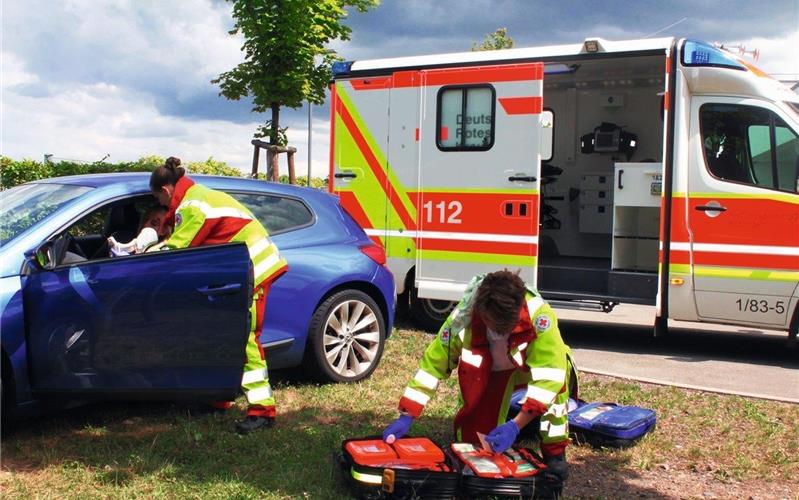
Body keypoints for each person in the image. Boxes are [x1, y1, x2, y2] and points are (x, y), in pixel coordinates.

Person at [382, 270, 577, 483]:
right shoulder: (462, 319)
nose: (500, 333)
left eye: (507, 328)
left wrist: (516, 426)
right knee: (477, 446)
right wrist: (407, 414)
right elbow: (432, 366)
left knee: (554, 394)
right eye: (495, 326)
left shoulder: (539, 316)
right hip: (494, 372)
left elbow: (549, 376)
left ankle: (554, 451)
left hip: (530, 369)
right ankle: (522, 423)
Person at [151, 156, 288, 434]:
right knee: (223, 333)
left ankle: (262, 410)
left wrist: (143, 256)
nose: (160, 206)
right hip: (241, 269)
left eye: (158, 199)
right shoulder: (196, 197)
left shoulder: (191, 206)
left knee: (247, 339)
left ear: (165, 191)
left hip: (254, 270)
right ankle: (219, 397)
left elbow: (178, 249)